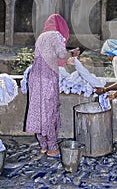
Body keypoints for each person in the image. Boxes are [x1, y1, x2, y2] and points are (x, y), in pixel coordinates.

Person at [25, 14, 80, 157]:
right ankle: (52, 147)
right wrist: (72, 53)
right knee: (49, 112)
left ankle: (43, 145)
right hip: (47, 80)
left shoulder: (41, 37)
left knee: (38, 111)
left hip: (35, 79)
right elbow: (62, 56)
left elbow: (50, 57)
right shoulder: (55, 35)